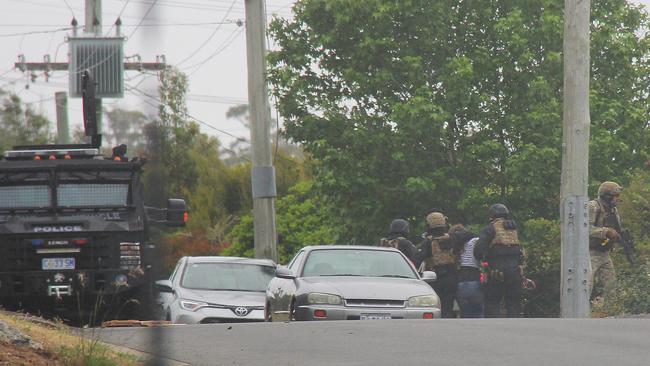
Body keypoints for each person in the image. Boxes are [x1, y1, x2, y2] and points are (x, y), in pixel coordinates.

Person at [474, 204, 524, 318]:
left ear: (491, 216)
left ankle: (494, 332)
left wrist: (484, 259)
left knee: (492, 303)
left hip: (496, 273)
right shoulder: (514, 229)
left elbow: (478, 251)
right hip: (516, 272)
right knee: (514, 305)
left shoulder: (490, 229)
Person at [588, 181, 623, 308]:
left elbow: (617, 229)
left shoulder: (613, 210)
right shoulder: (593, 207)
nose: (618, 198)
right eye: (616, 195)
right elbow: (584, 228)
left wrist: (618, 237)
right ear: (607, 196)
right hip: (589, 253)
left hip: (604, 253)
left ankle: (611, 313)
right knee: (586, 285)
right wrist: (606, 231)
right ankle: (581, 314)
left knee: (611, 286)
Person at [417, 210, 457, 318]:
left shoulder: (428, 242)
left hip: (435, 278)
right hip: (452, 278)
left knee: (436, 307)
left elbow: (418, 259)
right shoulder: (453, 238)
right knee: (448, 307)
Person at [449, 224, 484, 318]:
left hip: (460, 283)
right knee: (478, 313)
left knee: (465, 315)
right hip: (474, 280)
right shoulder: (475, 241)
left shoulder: (454, 246)